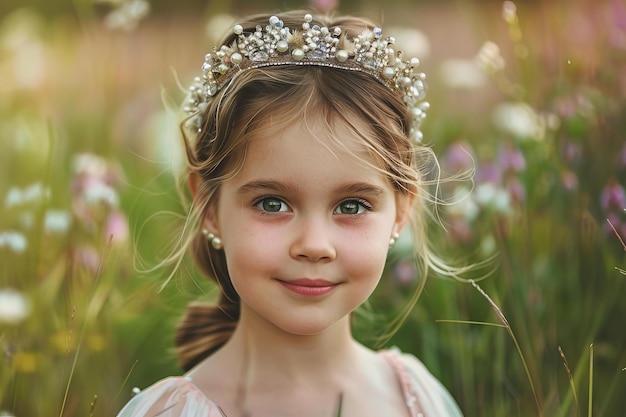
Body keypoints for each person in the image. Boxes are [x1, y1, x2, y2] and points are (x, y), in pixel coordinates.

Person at [117, 9, 463, 417]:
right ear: (209, 207)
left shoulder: (417, 399)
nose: (314, 246)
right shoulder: (169, 413)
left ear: (401, 212)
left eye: (352, 206)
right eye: (272, 204)